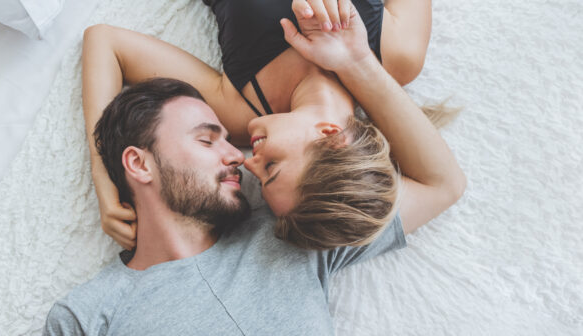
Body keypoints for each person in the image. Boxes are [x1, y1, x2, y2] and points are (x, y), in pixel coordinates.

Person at [81, 0, 465, 251]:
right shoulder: (397, 56)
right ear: (330, 137)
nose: (248, 162)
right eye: (272, 168)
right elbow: (448, 184)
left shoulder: (239, 111)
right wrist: (357, 59)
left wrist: (105, 181)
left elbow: (105, 42)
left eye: (259, 177)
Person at [43, 77, 407, 335]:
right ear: (139, 164)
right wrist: (103, 181)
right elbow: (105, 38)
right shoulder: (85, 316)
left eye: (229, 142)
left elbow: (442, 184)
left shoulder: (294, 232)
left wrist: (357, 61)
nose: (238, 155)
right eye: (206, 140)